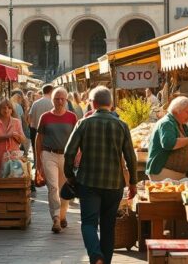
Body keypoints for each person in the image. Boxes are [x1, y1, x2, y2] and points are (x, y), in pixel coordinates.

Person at [64, 86, 137, 264]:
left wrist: (70, 176)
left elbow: (69, 152)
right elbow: (131, 157)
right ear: (110, 104)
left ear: (93, 104)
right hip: (114, 183)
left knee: (88, 223)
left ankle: (96, 255)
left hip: (88, 182)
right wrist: (133, 183)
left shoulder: (84, 123)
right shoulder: (122, 125)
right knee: (108, 226)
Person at [36, 86, 78, 233]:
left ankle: (63, 215)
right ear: (52, 100)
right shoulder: (45, 117)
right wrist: (38, 161)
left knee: (64, 188)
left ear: (66, 100)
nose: (59, 102)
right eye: (56, 99)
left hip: (66, 156)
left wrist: (77, 156)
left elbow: (77, 139)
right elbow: (39, 139)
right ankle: (56, 218)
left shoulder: (72, 117)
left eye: (62, 99)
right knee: (53, 187)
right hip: (49, 154)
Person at [146, 97, 188, 181]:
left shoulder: (182, 126)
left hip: (176, 175)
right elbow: (169, 144)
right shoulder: (166, 123)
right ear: (177, 110)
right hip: (163, 173)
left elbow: (187, 149)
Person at [0, 99, 25, 178]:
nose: (6, 110)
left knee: (13, 180)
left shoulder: (16, 122)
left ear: (12, 110)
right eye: (4, 108)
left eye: (9, 108)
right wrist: (7, 136)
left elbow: (23, 140)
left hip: (13, 159)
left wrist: (17, 137)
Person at [29, 84, 54, 154]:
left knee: (36, 152)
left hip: (35, 131)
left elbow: (29, 118)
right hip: (49, 133)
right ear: (51, 91)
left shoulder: (35, 103)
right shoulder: (53, 103)